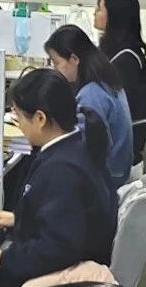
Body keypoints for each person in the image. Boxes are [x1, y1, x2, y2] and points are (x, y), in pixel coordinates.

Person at [0, 69, 118, 287]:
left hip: (59, 286)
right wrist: (19, 219)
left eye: (20, 117)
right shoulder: (75, 145)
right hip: (73, 265)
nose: (19, 126)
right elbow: (67, 217)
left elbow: (59, 248)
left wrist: (2, 258)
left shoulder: (63, 169)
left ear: (40, 119)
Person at [45, 24, 134, 190]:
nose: (54, 69)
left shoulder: (90, 95)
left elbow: (87, 150)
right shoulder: (105, 79)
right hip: (120, 168)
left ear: (74, 59)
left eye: (56, 63)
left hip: (108, 177)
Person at [96, 0, 146, 163]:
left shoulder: (126, 59)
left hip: (124, 142)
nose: (95, 13)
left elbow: (110, 106)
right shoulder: (118, 50)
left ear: (114, 16)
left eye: (99, 9)